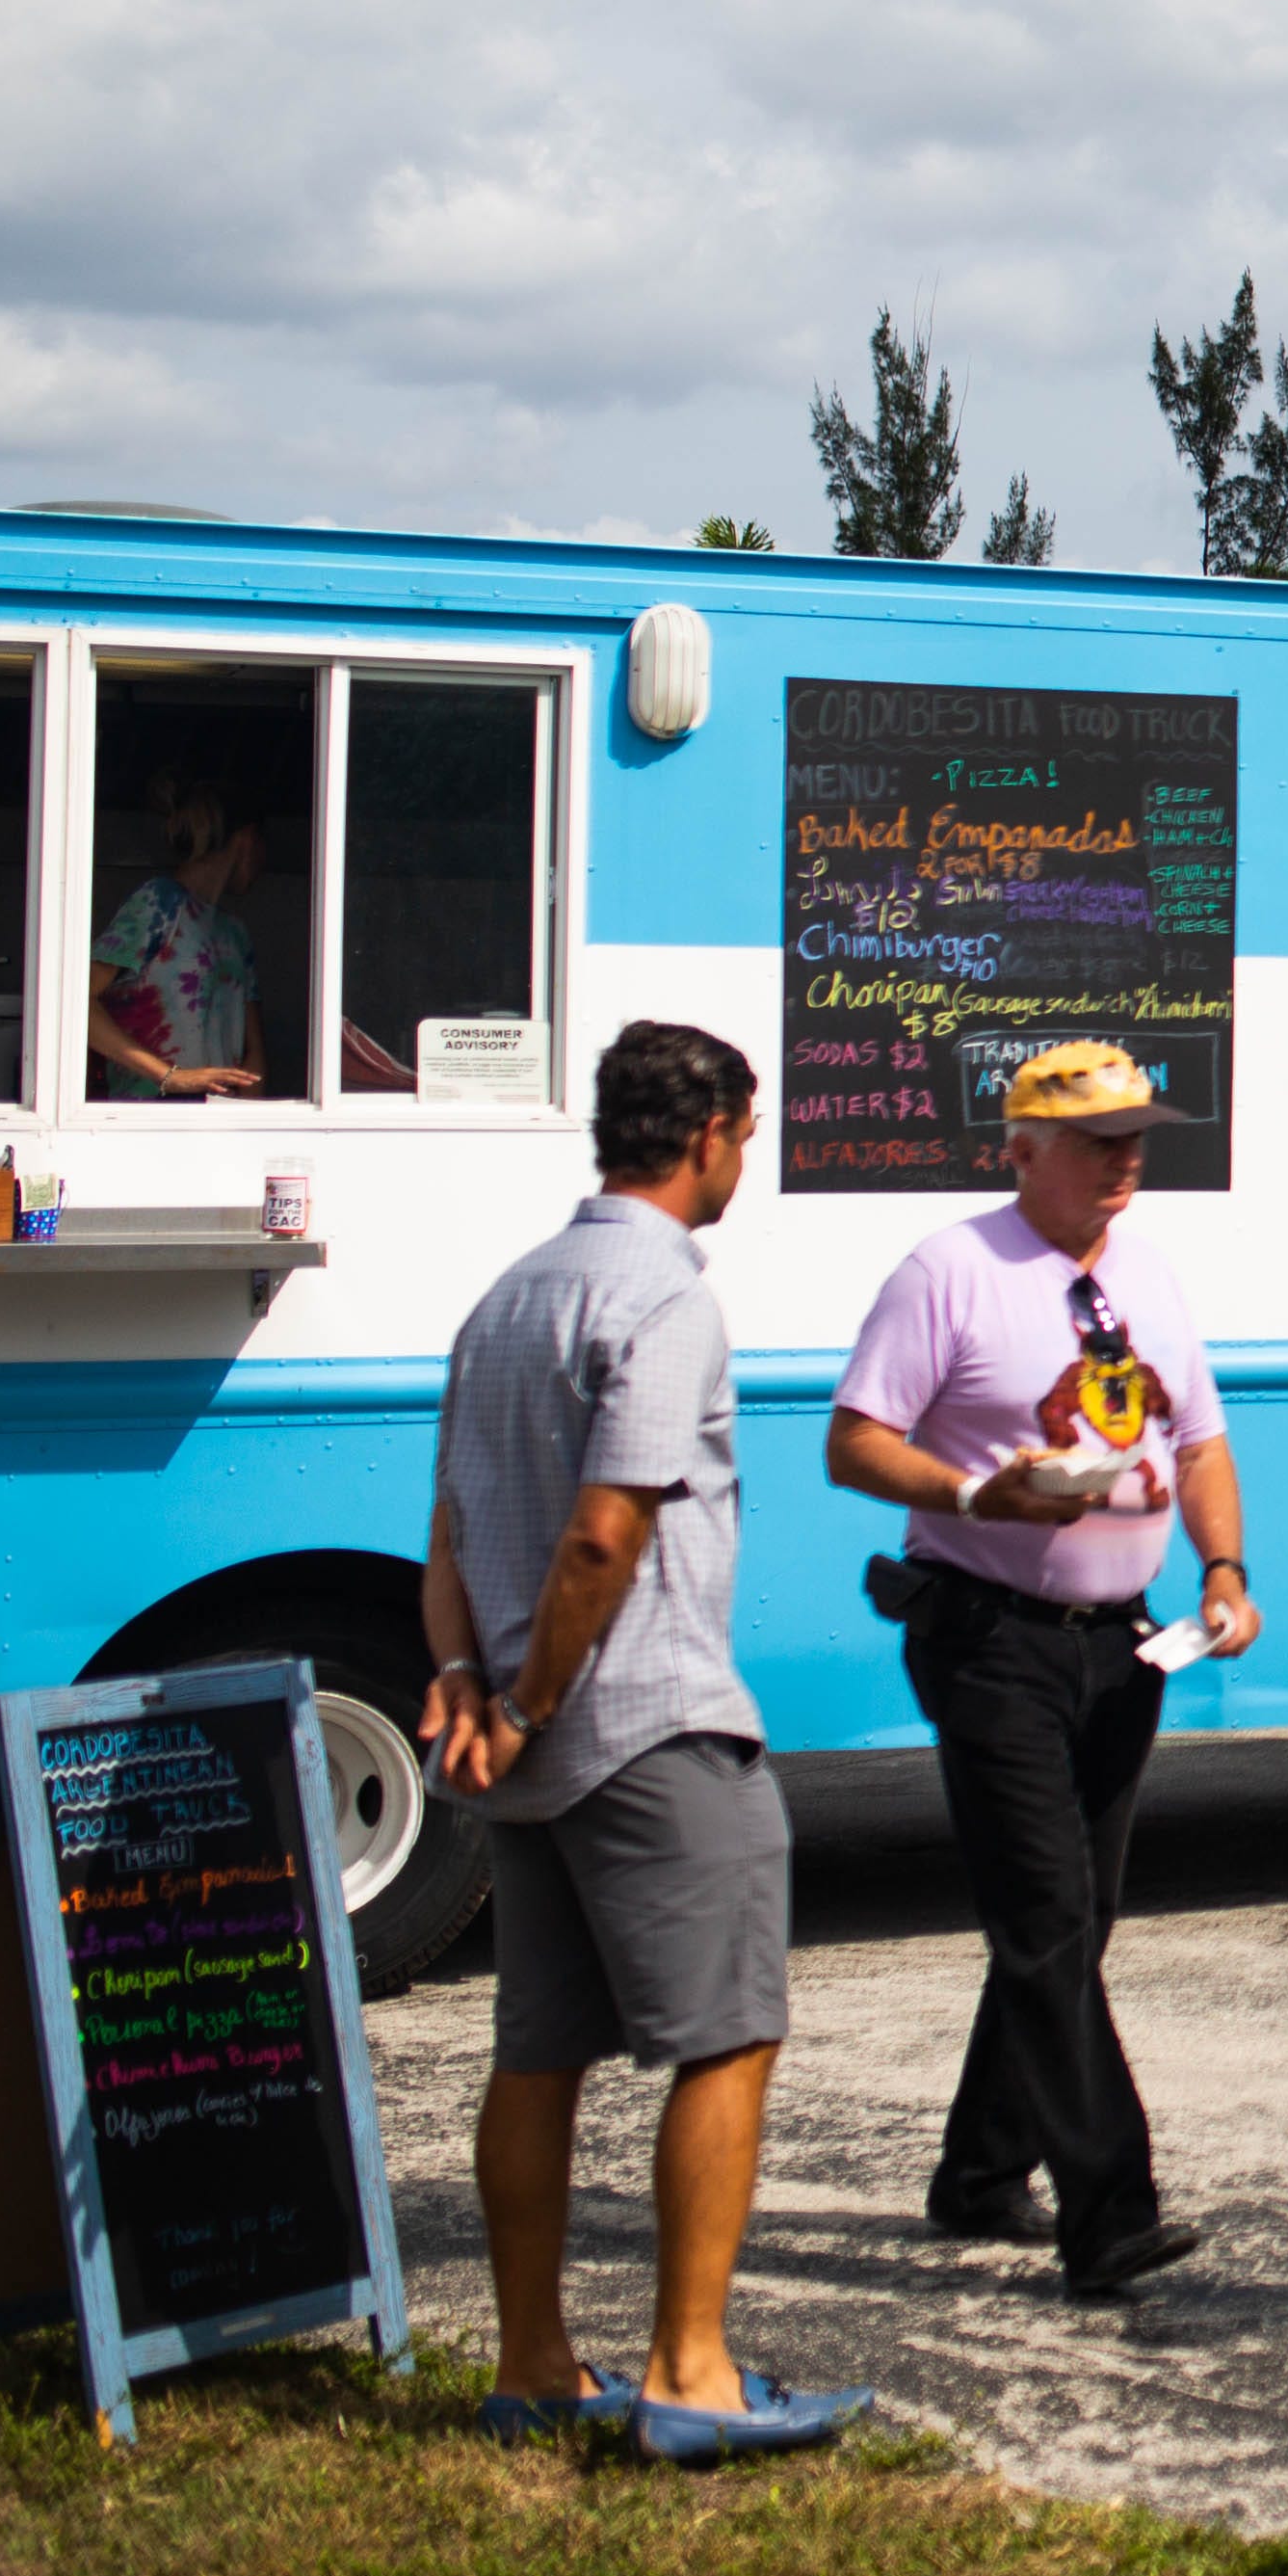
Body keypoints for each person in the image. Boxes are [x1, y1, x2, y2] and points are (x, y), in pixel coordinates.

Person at [418, 1020, 875, 2465]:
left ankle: (535, 2361)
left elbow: (447, 1534)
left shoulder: (507, 1296)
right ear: (709, 1136)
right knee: (729, 2032)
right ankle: (692, 2369)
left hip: (529, 1747)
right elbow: (609, 1528)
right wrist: (541, 1695)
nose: (750, 1156)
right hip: (647, 1720)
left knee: (538, 2050)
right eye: (749, 1132)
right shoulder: (664, 1299)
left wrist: (470, 1684)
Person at [822, 1040, 1261, 2299]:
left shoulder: (1149, 1273)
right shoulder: (951, 1271)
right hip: (987, 1632)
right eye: (1099, 1138)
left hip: (1123, 1642)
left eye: (1139, 1135)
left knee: (1073, 1920)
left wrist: (1222, 1570)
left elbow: (1202, 1439)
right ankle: (1110, 2209)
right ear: (1021, 1149)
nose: (1127, 1157)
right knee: (1049, 1917)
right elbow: (855, 1443)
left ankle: (978, 2174)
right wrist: (979, 1490)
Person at [88, 778, 269, 1100]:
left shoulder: (235, 933)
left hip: (218, 1124)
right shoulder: (161, 902)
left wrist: (248, 1121)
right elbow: (77, 1004)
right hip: (151, 1119)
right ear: (248, 839)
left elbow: (253, 1053)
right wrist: (170, 1077)